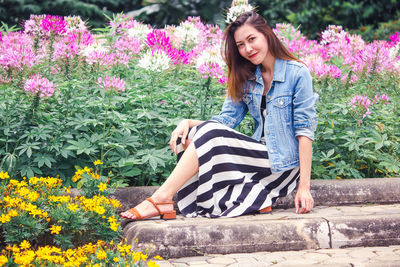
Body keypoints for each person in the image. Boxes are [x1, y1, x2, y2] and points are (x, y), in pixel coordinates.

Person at [120, 10, 318, 220]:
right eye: (240, 45)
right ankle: (251, 197)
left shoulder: (297, 73)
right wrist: (187, 123)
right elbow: (225, 121)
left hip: (283, 165)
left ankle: (161, 198)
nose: (247, 49)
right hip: (257, 155)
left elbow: (304, 132)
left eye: (252, 39)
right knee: (188, 135)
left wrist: (303, 187)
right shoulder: (247, 77)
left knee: (207, 134)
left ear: (266, 34)